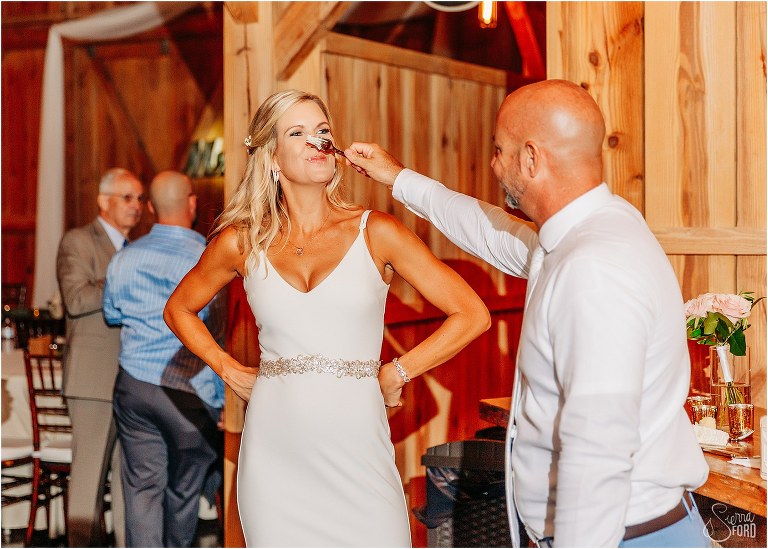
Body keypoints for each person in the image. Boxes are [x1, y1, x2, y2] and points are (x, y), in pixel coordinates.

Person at [343, 79, 711, 548]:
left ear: (532, 158)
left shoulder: (593, 269)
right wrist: (398, 178)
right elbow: (487, 229)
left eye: (499, 150)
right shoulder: (585, 233)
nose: (494, 165)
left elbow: (596, 455)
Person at [163, 89, 490, 548]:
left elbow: (472, 314)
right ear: (272, 159)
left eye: (322, 130)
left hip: (359, 454)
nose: (316, 141)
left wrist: (399, 370)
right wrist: (228, 369)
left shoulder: (377, 232)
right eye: (297, 133)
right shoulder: (242, 242)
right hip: (274, 458)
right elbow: (178, 309)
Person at [102, 170, 225, 547]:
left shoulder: (125, 256)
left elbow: (111, 314)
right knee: (184, 492)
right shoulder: (207, 259)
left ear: (152, 208)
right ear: (192, 203)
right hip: (188, 390)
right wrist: (222, 400)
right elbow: (218, 331)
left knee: (142, 488)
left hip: (135, 385)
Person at [56, 167, 144, 547]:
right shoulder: (79, 240)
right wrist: (127, 275)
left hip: (133, 379)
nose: (136, 206)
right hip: (93, 381)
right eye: (127, 197)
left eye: (140, 198)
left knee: (128, 482)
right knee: (88, 482)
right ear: (103, 201)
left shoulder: (135, 248)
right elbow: (76, 300)